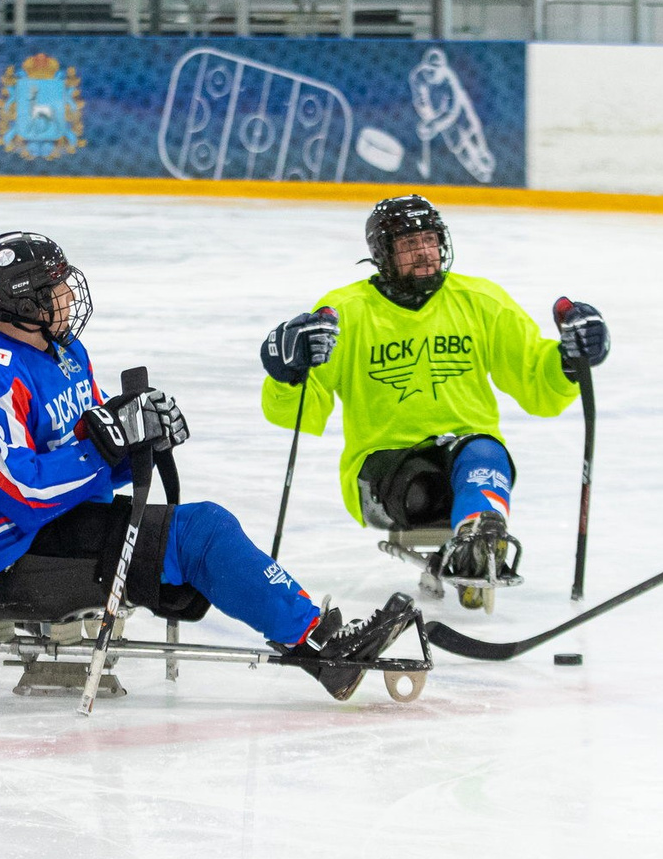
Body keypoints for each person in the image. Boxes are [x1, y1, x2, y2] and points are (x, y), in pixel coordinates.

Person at [0, 231, 416, 699]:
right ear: (25, 301)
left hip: (60, 529)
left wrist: (141, 442)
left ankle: (312, 637)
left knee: (200, 531)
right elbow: (25, 495)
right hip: (7, 562)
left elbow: (93, 454)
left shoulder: (65, 353)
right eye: (56, 287)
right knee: (201, 533)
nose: (70, 296)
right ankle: (320, 647)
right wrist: (108, 446)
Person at [257, 194, 609, 597]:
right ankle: (473, 539)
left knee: (484, 454)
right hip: (385, 465)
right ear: (383, 254)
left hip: (466, 454)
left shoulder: (480, 301)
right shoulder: (346, 310)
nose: (425, 252)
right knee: (425, 491)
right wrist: (288, 374)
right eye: (410, 244)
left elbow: (534, 377)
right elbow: (304, 409)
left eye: (430, 241)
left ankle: (479, 538)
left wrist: (569, 360)